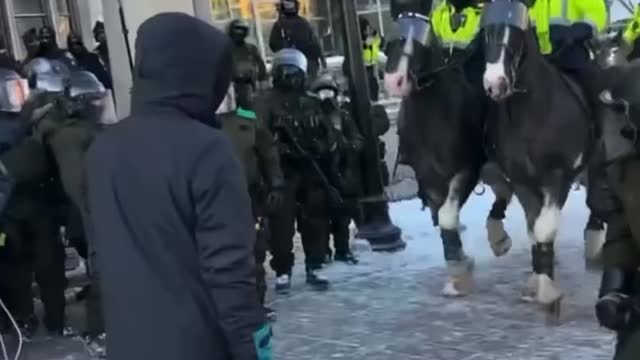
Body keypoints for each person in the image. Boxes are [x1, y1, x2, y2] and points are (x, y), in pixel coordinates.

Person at [86, 13, 272, 360]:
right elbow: (230, 273)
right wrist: (255, 350)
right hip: (198, 345)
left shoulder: (103, 149)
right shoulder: (208, 149)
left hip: (129, 344)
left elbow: (100, 253)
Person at [256, 48, 339, 294]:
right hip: (280, 173)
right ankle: (283, 270)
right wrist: (278, 148)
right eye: (285, 70)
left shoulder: (312, 102)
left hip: (311, 170)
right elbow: (258, 134)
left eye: (294, 71)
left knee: (315, 220)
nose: (289, 76)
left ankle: (315, 265)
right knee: (281, 225)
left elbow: (330, 135)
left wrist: (319, 146)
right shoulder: (265, 101)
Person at [0, 67, 71, 340]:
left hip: (36, 206)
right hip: (12, 210)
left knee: (45, 267)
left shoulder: (27, 123)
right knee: (16, 268)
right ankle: (24, 318)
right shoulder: (17, 125)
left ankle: (50, 318)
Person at [217, 85, 284, 321]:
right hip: (214, 201)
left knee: (254, 253)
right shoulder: (194, 123)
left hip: (249, 198)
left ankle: (256, 305)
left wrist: (276, 184)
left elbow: (269, 154)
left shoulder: (248, 119)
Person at [310, 74, 363, 265]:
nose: (326, 97)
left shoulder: (343, 117)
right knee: (321, 218)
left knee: (342, 217)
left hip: (342, 172)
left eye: (329, 92)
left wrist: (346, 145)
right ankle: (324, 251)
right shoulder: (313, 118)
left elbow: (358, 140)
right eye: (322, 93)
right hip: (320, 173)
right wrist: (322, 147)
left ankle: (343, 249)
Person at [529, 0, 607, 106]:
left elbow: (597, 10)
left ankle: (604, 119)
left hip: (570, 53)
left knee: (594, 91)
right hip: (534, 57)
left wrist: (584, 27)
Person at [269, 0, 326, 80]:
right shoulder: (279, 25)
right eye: (287, 5)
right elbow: (273, 45)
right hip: (290, 63)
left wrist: (322, 59)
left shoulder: (303, 23)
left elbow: (315, 42)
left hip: (307, 61)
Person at [228, 19, 267, 104]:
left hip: (248, 84)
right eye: (237, 29)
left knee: (248, 109)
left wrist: (262, 78)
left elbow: (261, 65)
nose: (239, 32)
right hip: (231, 86)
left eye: (242, 30)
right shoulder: (225, 49)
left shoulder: (251, 48)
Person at [360, 17, 383, 102]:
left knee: (374, 83)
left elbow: (379, 41)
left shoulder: (371, 38)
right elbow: (366, 46)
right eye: (367, 28)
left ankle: (374, 99)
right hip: (366, 65)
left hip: (373, 63)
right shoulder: (363, 40)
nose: (369, 30)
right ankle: (372, 99)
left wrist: (375, 33)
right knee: (370, 84)